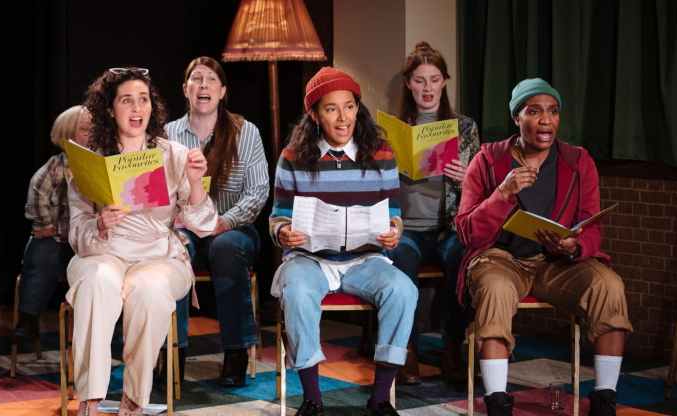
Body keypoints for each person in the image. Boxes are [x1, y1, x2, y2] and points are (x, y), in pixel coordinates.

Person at [456, 78, 633, 416]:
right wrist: (502, 195)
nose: (546, 120)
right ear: (516, 118)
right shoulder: (488, 160)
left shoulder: (578, 161)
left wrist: (573, 245)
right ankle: (497, 401)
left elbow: (592, 227)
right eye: (534, 112)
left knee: (609, 285)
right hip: (501, 259)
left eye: (553, 112)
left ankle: (605, 398)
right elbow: (467, 232)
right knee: (494, 289)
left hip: (557, 263)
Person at [65, 67, 217, 416]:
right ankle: (89, 399)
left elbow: (204, 224)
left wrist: (195, 182)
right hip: (103, 252)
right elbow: (76, 230)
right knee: (96, 281)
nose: (136, 109)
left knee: (149, 288)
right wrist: (99, 224)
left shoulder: (174, 154)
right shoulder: (91, 158)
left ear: (152, 107)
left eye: (143, 100)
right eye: (126, 101)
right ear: (109, 109)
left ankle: (134, 400)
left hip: (159, 255)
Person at [269, 67, 417, 416]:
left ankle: (380, 398)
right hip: (310, 259)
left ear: (357, 108)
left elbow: (394, 212)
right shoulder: (293, 157)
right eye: (331, 109)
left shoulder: (380, 153)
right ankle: (312, 400)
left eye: (349, 107)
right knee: (298, 292)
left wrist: (394, 231)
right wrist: (283, 232)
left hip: (365, 260)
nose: (342, 117)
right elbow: (277, 217)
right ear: (315, 115)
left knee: (404, 290)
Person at [165, 56, 269, 386]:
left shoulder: (245, 132)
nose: (204, 85)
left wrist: (224, 221)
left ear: (222, 91)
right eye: (196, 79)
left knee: (225, 247)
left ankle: (236, 351)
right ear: (185, 89)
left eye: (211, 80)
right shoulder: (168, 135)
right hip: (185, 226)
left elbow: (258, 191)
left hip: (233, 227)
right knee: (175, 250)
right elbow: (162, 193)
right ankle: (173, 352)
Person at [386, 41, 481, 385]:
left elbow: (481, 188)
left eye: (434, 79)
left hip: (448, 226)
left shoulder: (464, 127)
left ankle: (452, 346)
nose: (427, 88)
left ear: (445, 81)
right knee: (401, 260)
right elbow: (375, 185)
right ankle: (406, 348)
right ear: (409, 84)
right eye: (419, 80)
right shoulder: (391, 128)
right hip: (406, 226)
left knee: (462, 255)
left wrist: (465, 175)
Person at [15, 105, 92, 340]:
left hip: (87, 238)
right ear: (69, 134)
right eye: (85, 130)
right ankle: (28, 319)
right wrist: (44, 225)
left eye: (93, 129)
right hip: (58, 237)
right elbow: (37, 193)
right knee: (41, 254)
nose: (91, 134)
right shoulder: (56, 167)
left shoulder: (99, 162)